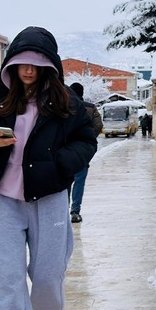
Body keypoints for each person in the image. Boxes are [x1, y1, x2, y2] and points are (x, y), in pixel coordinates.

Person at [0, 26, 97, 310]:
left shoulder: (68, 103)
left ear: (49, 66)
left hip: (48, 198)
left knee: (48, 277)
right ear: (11, 64)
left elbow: (86, 141)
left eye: (35, 63)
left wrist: (61, 164)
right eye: (21, 62)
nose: (27, 69)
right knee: (5, 282)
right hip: (2, 202)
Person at [68, 82, 103, 223]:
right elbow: (98, 125)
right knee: (79, 181)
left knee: (65, 181)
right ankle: (75, 211)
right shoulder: (90, 108)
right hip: (82, 152)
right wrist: (87, 139)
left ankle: (63, 209)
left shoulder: (65, 106)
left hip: (66, 150)